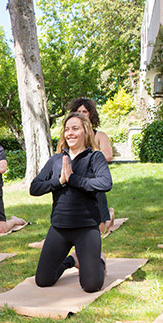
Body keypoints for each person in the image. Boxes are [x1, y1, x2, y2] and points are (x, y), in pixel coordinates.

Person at [30, 112, 112, 292]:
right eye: (67, 129)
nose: (70, 133)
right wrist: (58, 181)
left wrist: (73, 179)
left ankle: (100, 261)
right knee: (43, 280)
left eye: (75, 128)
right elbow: (34, 188)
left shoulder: (94, 157)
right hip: (59, 227)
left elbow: (105, 183)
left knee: (91, 286)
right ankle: (71, 260)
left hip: (86, 228)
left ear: (85, 131)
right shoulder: (56, 160)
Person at [68, 98, 115, 234]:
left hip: (94, 180)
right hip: (76, 179)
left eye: (85, 111)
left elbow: (108, 156)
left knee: (100, 231)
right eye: (78, 111)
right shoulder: (70, 137)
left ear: (91, 114)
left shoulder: (99, 135)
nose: (81, 114)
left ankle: (109, 214)